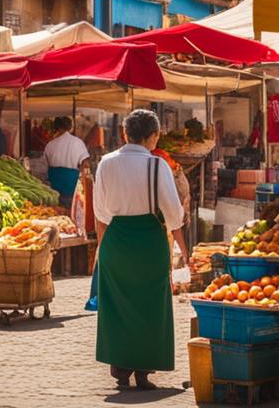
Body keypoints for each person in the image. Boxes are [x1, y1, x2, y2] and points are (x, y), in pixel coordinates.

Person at [93, 109, 185, 391]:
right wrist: (184, 249)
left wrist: (101, 250)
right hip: (149, 244)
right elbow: (174, 214)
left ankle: (120, 370)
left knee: (116, 307)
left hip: (115, 241)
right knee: (151, 307)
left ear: (124, 133)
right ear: (154, 136)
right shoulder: (158, 166)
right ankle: (144, 372)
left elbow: (100, 213)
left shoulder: (106, 163)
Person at [44, 116, 90, 209]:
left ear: (57, 128)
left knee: (56, 213)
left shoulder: (50, 145)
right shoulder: (78, 143)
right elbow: (85, 164)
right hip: (72, 186)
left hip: (54, 187)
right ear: (70, 127)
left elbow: (46, 165)